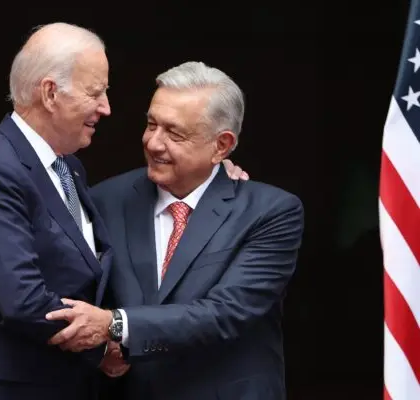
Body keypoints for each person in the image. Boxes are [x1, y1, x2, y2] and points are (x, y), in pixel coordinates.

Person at [0, 23, 246, 400]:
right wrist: (106, 346)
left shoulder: (68, 170)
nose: (106, 107)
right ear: (50, 94)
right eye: (95, 92)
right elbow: (23, 300)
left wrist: (213, 173)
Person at [46, 61, 304, 400]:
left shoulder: (269, 212)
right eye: (151, 124)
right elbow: (76, 294)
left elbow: (226, 313)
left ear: (222, 146)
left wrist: (115, 324)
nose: (153, 143)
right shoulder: (104, 201)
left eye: (175, 133)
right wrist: (98, 353)